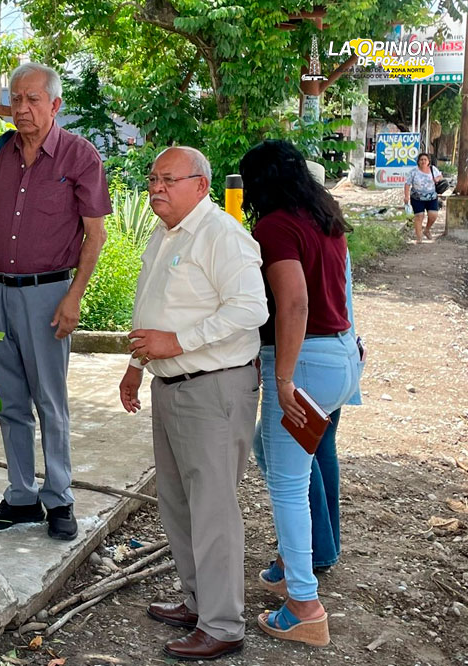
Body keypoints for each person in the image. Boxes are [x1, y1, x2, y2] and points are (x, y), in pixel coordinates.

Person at [118, 146, 267, 660]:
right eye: (152, 179)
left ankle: (223, 625)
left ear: (201, 186)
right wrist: (137, 366)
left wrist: (177, 344)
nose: (156, 188)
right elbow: (152, 307)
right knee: (177, 502)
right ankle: (199, 602)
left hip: (214, 387)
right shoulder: (166, 233)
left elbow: (251, 309)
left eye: (168, 179)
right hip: (170, 385)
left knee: (212, 508)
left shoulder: (222, 235)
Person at [0, 62, 110, 541]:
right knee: (8, 400)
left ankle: (60, 497)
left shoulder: (79, 156)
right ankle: (21, 496)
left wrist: (74, 297)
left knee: (50, 401)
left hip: (48, 293)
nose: (22, 108)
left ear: (54, 104)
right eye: (15, 99)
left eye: (32, 99)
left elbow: (94, 235)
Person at [239, 139, 361, 648]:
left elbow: (293, 304)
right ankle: (293, 565)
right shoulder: (324, 216)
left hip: (304, 360)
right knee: (272, 453)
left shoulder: (274, 226)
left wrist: (283, 377)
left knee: (288, 484)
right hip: (339, 354)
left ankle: (305, 606)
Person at [256, 252, 364, 589]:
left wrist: (283, 377)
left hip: (304, 352)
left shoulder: (282, 229)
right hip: (339, 346)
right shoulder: (328, 224)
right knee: (318, 446)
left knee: (291, 468)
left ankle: (305, 566)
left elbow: (295, 305)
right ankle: (320, 549)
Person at [404, 152, 443, 243]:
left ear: (428, 161)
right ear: (418, 161)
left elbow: (440, 176)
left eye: (425, 159)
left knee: (433, 215)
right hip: (417, 198)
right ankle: (419, 238)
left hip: (431, 197)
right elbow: (407, 184)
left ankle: (427, 230)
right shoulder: (413, 172)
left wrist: (437, 179)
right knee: (419, 216)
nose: (423, 161)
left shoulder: (433, 169)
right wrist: (406, 196)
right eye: (421, 160)